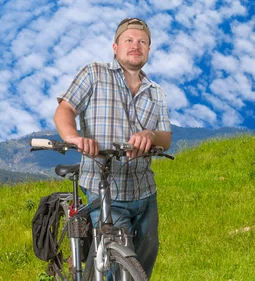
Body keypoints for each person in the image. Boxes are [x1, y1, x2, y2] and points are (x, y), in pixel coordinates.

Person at [53, 17, 171, 278]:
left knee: (143, 263)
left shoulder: (157, 92)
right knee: (115, 265)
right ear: (115, 47)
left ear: (149, 50)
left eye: (142, 42)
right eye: (128, 40)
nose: (135, 45)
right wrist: (74, 138)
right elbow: (65, 110)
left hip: (144, 190)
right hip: (103, 185)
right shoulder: (94, 73)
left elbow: (166, 138)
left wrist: (151, 135)